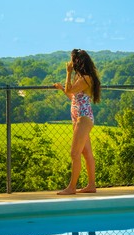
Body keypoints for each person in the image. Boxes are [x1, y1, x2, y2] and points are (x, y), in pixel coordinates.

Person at [54, 49, 101, 195]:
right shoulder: (82, 78)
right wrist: (62, 89)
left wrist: (68, 73)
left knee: (74, 154)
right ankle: (91, 185)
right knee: (86, 153)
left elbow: (71, 89)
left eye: (72, 61)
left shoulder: (86, 78)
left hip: (83, 119)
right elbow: (73, 97)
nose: (70, 64)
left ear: (77, 62)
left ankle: (72, 187)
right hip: (80, 119)